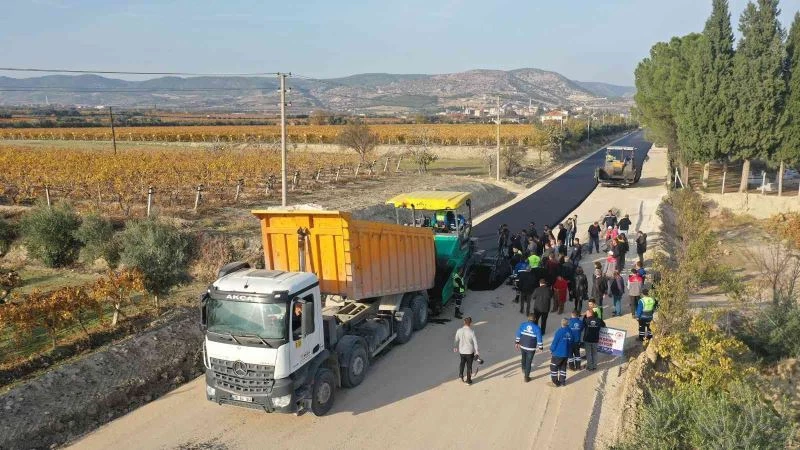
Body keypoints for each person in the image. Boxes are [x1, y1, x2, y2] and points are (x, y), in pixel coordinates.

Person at [515, 314, 544, 382]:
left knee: (523, 357)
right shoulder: (537, 328)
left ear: (528, 318)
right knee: (529, 362)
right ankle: (526, 377)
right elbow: (539, 339)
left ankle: (523, 369)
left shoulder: (523, 325)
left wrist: (517, 342)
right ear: (535, 319)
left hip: (522, 345)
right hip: (531, 348)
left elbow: (518, 334)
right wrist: (540, 347)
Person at [453, 317, 479, 384]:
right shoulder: (471, 332)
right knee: (469, 366)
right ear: (470, 323)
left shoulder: (459, 330)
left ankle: (461, 375)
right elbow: (475, 343)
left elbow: (456, 340)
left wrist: (455, 347)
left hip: (462, 351)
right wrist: (477, 352)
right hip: (469, 351)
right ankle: (468, 380)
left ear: (464, 322)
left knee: (462, 363)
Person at [550, 318, 573, 386]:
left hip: (558, 353)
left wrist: (551, 349)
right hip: (566, 353)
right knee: (563, 367)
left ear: (561, 323)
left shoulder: (559, 331)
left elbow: (555, 342)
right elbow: (571, 341)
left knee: (553, 366)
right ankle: (562, 381)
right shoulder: (570, 331)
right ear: (568, 324)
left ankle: (555, 382)